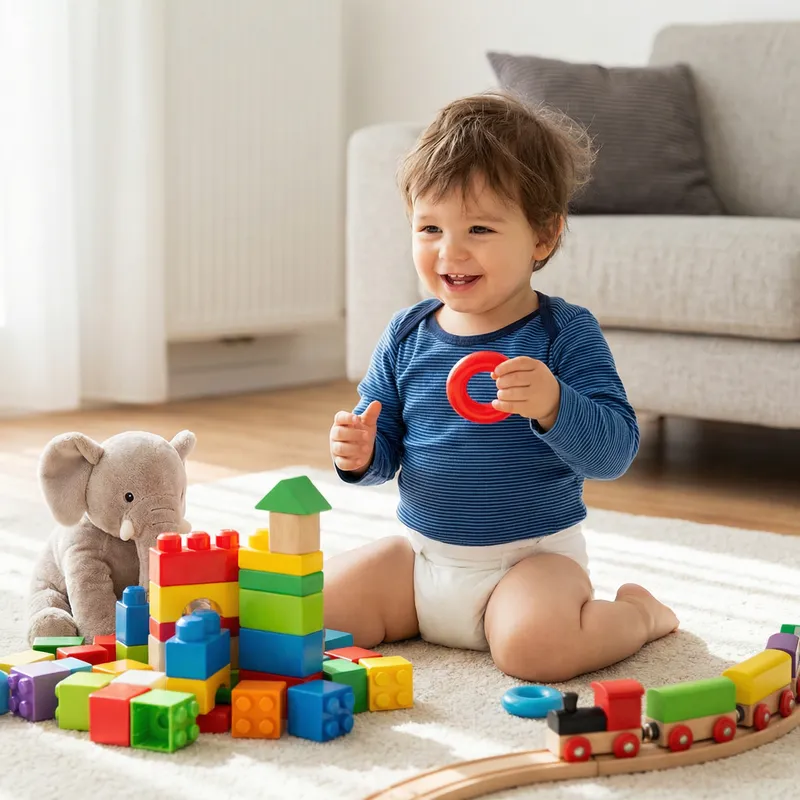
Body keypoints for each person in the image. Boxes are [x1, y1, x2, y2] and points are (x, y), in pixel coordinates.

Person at [325, 90, 678, 682]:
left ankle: (638, 616)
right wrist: (360, 453)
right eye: (430, 227)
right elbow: (384, 443)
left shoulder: (562, 332)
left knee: (534, 652)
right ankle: (414, 615)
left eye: (480, 228)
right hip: (422, 560)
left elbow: (615, 450)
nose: (451, 250)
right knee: (311, 611)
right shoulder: (406, 332)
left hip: (530, 562)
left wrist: (553, 405)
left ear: (542, 238)